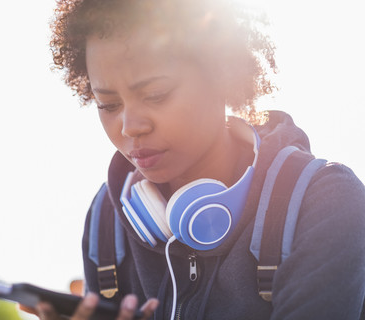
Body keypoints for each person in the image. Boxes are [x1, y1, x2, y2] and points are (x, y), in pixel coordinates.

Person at [35, 0, 365, 319]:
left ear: (222, 74)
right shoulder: (106, 219)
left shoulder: (326, 202)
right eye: (107, 104)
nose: (130, 126)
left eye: (156, 95)